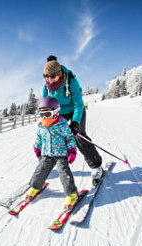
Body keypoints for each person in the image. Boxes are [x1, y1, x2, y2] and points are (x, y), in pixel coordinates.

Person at [42, 55, 103, 184]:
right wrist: (47, 121)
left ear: (59, 74)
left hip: (75, 110)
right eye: (46, 76)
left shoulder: (71, 82)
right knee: (53, 137)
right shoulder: (46, 86)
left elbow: (79, 104)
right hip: (59, 112)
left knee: (79, 136)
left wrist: (75, 123)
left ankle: (96, 166)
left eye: (52, 76)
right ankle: (46, 167)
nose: (49, 80)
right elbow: (45, 104)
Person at [26, 97, 78, 211]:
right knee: (40, 170)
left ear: (55, 112)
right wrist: (37, 149)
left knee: (64, 173)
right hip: (47, 154)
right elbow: (39, 138)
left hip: (61, 154)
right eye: (41, 114)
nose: (44, 117)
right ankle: (35, 187)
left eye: (47, 113)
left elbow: (70, 138)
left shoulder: (62, 125)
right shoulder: (41, 125)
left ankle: (71, 194)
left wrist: (72, 151)